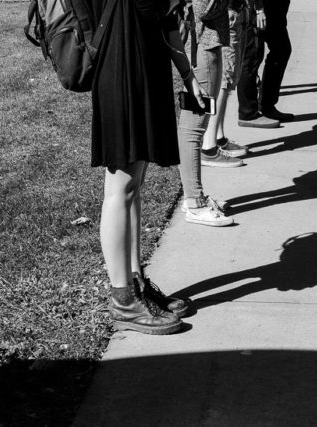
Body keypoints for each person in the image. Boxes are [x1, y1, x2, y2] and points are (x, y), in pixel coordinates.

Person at [90, 0, 204, 334]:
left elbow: (163, 19)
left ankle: (134, 280)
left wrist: (187, 73)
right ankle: (122, 296)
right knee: (120, 187)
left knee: (133, 186)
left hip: (143, 65)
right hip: (120, 65)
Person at [174, 0, 236, 224]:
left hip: (205, 43)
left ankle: (192, 197)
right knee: (194, 124)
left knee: (196, 123)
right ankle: (195, 202)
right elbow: (204, 8)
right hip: (201, 45)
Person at [199, 0, 252, 167]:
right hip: (227, 15)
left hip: (234, 12)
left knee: (227, 81)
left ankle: (218, 138)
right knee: (223, 82)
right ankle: (209, 148)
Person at [237, 0, 294, 128]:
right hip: (257, 7)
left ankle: (267, 105)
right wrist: (258, 9)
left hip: (275, 8)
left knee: (282, 50)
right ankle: (247, 113)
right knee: (252, 57)